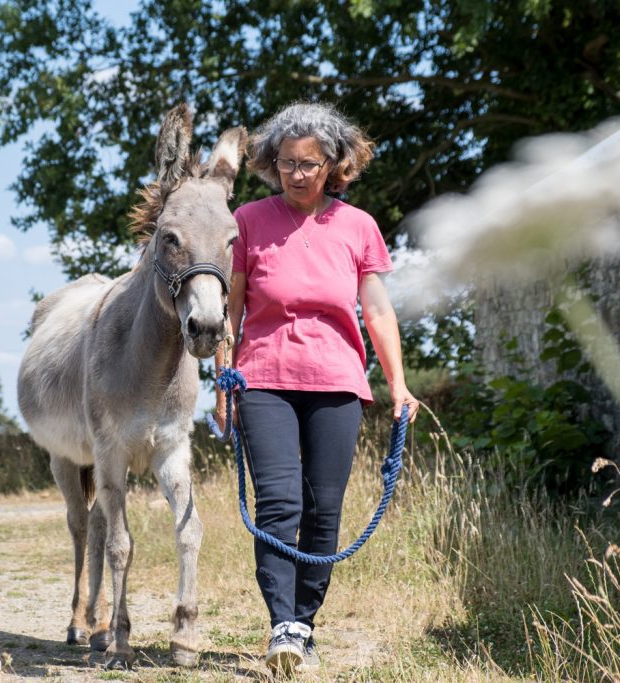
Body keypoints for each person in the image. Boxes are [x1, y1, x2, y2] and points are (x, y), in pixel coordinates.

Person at [214, 101, 419, 674]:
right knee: (279, 502)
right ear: (271, 164)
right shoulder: (249, 220)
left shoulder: (359, 227)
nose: (297, 174)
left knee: (323, 507)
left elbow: (377, 313)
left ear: (333, 164)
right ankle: (281, 621)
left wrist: (398, 386)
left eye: (308, 164)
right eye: (286, 164)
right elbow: (231, 308)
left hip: (337, 381)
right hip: (263, 378)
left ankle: (305, 620)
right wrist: (220, 381)